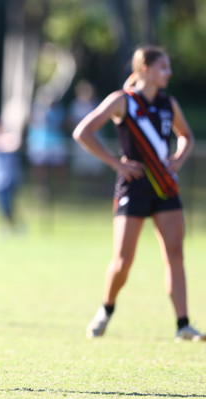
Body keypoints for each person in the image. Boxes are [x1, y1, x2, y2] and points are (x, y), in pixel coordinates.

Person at [73, 45, 203, 341]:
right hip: (133, 187)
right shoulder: (123, 101)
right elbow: (83, 132)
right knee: (123, 260)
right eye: (163, 67)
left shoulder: (169, 103)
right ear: (145, 69)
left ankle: (183, 324)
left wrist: (179, 160)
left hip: (165, 187)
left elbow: (186, 136)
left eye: (168, 68)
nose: (168, 73)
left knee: (175, 254)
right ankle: (106, 310)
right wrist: (115, 163)